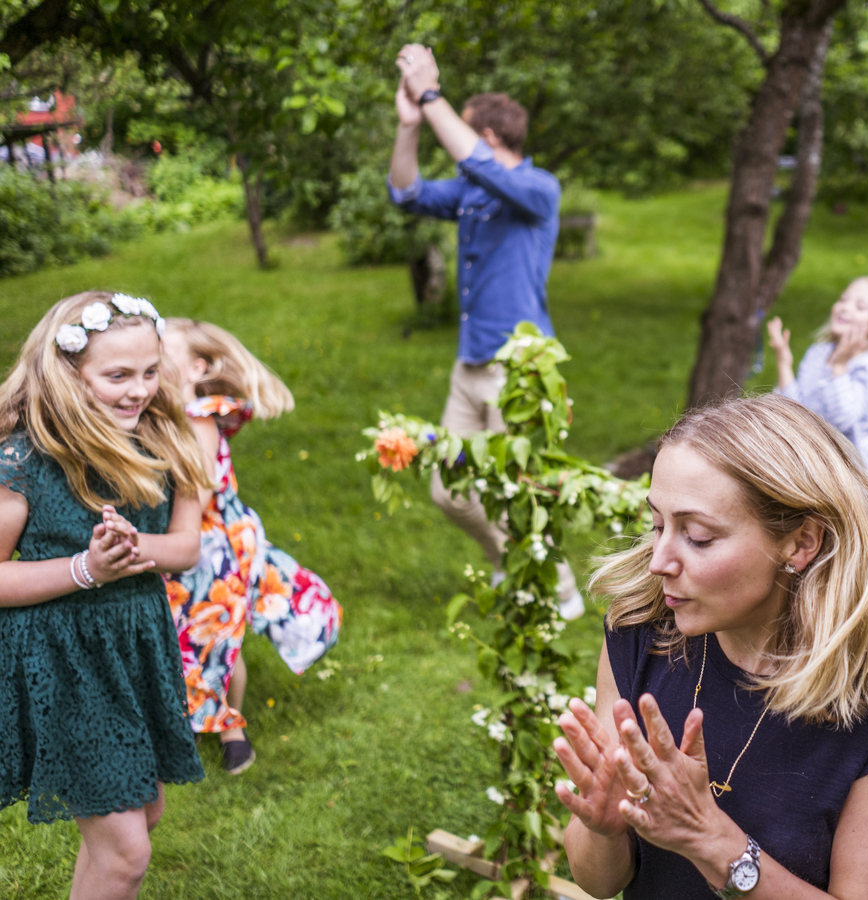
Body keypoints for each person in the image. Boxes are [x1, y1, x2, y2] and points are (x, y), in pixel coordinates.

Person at [552, 394, 868, 900]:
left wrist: (712, 842)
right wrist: (602, 827)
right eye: (658, 524)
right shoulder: (641, 627)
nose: (659, 560)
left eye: (697, 536)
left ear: (800, 542)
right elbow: (598, 882)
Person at [0, 292, 211, 900]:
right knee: (125, 851)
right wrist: (88, 568)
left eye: (149, 372)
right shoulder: (26, 457)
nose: (137, 390)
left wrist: (130, 547)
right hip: (63, 657)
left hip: (134, 647)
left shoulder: (168, 441)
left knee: (141, 821)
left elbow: (187, 547)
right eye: (116, 376)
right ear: (66, 373)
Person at [387, 43, 582, 618]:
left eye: (464, 134)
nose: (454, 145)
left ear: (490, 137)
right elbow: (407, 192)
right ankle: (516, 564)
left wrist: (430, 93)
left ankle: (558, 589)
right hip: (468, 364)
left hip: (518, 367)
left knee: (516, 488)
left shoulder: (539, 191)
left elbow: (474, 161)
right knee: (450, 491)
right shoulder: (472, 193)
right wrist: (409, 124)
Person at [160, 319, 342, 775]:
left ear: (195, 367)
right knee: (176, 636)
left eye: (161, 352)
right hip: (180, 544)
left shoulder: (198, 421)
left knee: (223, 639)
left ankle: (231, 729)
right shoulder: (158, 417)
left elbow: (198, 498)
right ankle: (178, 716)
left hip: (212, 549)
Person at [767, 276, 868, 492]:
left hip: (856, 481)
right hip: (816, 470)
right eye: (843, 300)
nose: (845, 308)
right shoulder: (818, 353)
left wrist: (839, 368)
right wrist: (784, 363)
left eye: (860, 307)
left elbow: (841, 420)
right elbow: (792, 410)